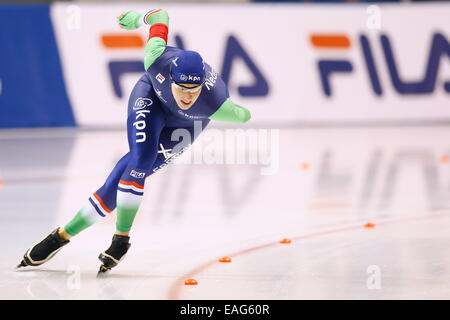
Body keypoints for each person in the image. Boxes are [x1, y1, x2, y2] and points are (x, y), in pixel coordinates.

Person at [17, 8, 251, 274]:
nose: (187, 97)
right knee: (140, 159)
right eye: (182, 88)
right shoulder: (155, 59)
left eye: (193, 90)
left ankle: (61, 236)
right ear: (170, 77)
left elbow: (244, 115)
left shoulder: (215, 104)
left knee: (123, 178)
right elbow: (160, 16)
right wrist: (138, 19)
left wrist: (232, 108)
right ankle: (121, 239)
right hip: (151, 98)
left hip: (188, 123)